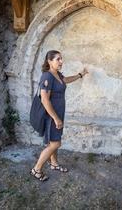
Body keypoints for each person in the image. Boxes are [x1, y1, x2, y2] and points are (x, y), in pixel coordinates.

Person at [30, 50, 88, 181]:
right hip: (52, 116)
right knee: (55, 144)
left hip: (58, 114)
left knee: (53, 140)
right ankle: (36, 169)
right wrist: (56, 118)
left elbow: (65, 80)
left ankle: (54, 163)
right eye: (58, 59)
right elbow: (45, 100)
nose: (61, 61)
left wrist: (80, 75)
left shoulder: (57, 75)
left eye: (61, 59)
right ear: (49, 61)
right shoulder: (47, 76)